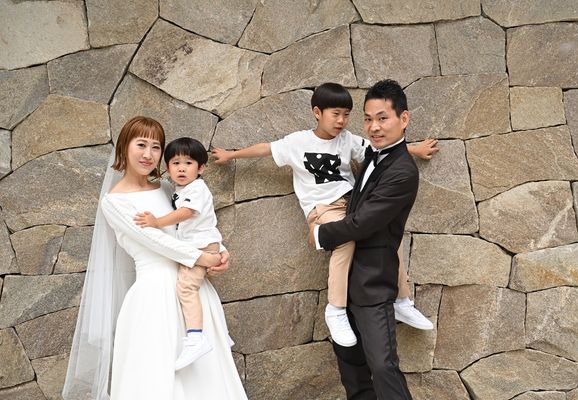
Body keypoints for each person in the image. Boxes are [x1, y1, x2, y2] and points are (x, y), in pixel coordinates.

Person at [212, 82, 435, 349]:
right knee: (345, 242)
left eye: (346, 115)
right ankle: (336, 309)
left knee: (389, 233)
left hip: (352, 204)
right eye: (335, 114)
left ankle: (402, 300)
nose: (341, 121)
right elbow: (265, 149)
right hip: (323, 209)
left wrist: (415, 150)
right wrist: (231, 155)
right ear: (317, 113)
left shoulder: (347, 140)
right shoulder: (298, 142)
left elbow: (380, 147)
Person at [63, 116, 248, 400]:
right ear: (124, 147)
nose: (148, 154)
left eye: (156, 147)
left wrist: (219, 251)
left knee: (207, 379)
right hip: (155, 295)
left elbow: (196, 224)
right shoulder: (115, 202)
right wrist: (203, 258)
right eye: (141, 145)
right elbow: (157, 241)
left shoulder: (168, 188)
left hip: (193, 291)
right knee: (157, 378)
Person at [310, 79, 419, 399]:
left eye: (382, 118)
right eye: (368, 119)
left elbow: (362, 222)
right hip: (345, 284)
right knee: (352, 371)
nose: (374, 127)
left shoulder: (403, 172)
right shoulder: (373, 154)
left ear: (404, 118)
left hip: (373, 283)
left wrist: (320, 234)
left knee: (383, 367)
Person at [134, 137, 222, 371]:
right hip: (197, 246)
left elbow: (185, 213)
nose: (181, 168)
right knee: (195, 291)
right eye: (175, 163)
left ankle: (195, 338)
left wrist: (156, 222)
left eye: (188, 163)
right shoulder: (179, 189)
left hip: (201, 248)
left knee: (186, 289)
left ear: (201, 168)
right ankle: (218, 336)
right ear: (167, 167)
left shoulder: (197, 188)